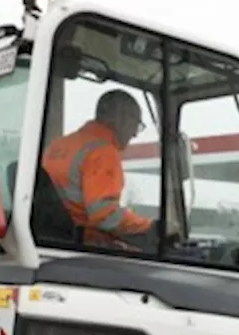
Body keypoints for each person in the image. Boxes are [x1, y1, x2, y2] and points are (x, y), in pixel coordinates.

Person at [41, 89, 155, 246]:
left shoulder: (57, 146)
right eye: (136, 125)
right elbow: (105, 216)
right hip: (85, 245)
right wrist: (149, 226)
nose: (134, 135)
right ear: (121, 118)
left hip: (55, 239)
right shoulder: (102, 152)